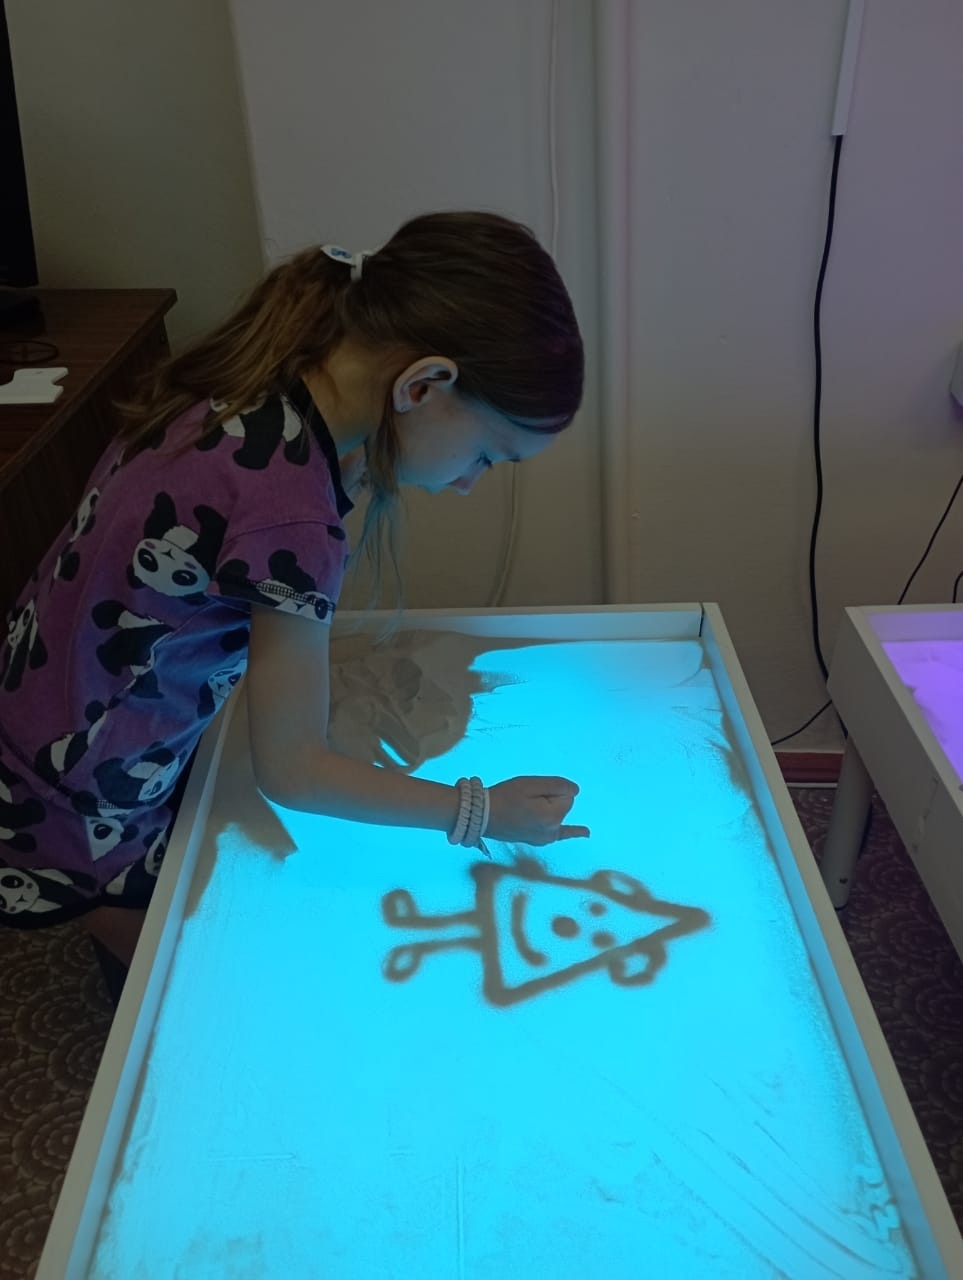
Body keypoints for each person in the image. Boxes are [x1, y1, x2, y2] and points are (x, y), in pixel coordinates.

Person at [0, 210, 589, 981]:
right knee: (203, 988)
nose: (468, 484)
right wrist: (480, 811)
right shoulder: (291, 517)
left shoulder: (251, 375)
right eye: (486, 454)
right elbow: (294, 770)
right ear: (423, 385)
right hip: (73, 801)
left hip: (35, 709)